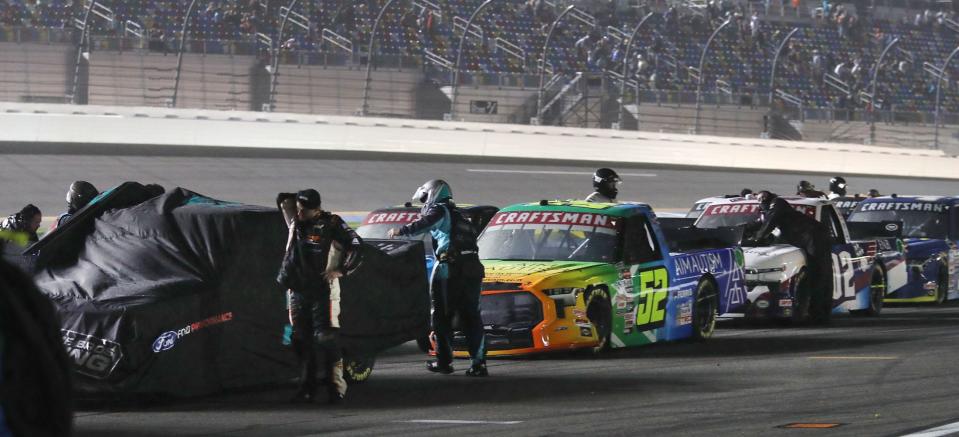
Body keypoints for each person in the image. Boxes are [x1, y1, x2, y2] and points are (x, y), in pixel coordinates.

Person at [386, 180, 488, 377]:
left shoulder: (440, 210)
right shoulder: (461, 216)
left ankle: (443, 361)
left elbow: (425, 223)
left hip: (451, 269)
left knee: (441, 317)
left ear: (432, 194)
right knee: (472, 317)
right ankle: (479, 363)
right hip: (473, 269)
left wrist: (401, 231)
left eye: (424, 197)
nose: (423, 203)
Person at [277, 189, 363, 404]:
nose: (297, 214)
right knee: (300, 339)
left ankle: (337, 387)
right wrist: (291, 201)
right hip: (297, 290)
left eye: (302, 210)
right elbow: (282, 200)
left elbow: (358, 246)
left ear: (314, 209)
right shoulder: (296, 223)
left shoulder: (332, 223)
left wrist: (342, 270)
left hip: (324, 290)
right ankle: (307, 388)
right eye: (296, 210)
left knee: (326, 338)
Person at [753, 191, 834, 323]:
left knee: (819, 274)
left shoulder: (777, 204)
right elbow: (762, 224)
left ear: (765, 199)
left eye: (761, 202)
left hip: (814, 237)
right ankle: (819, 313)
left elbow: (769, 223)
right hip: (809, 237)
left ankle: (819, 315)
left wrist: (756, 238)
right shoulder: (775, 208)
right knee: (819, 274)